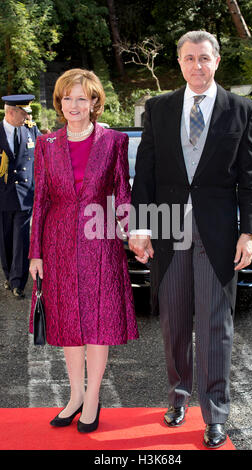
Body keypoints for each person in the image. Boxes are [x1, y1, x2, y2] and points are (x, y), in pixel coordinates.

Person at [129, 31, 252, 448]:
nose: (197, 66)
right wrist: (141, 226)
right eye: (189, 59)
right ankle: (178, 396)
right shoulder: (159, 108)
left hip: (218, 234)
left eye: (204, 58)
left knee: (213, 326)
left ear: (217, 61)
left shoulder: (241, 111)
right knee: (172, 322)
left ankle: (215, 412)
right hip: (168, 231)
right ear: (180, 62)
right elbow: (145, 173)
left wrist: (249, 232)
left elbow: (251, 177)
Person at [29, 68, 139, 433]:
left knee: (96, 321)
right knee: (67, 322)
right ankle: (75, 395)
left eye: (80, 98)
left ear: (94, 102)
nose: (72, 105)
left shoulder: (115, 142)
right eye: (66, 98)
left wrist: (135, 233)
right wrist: (35, 253)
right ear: (59, 104)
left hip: (100, 240)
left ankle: (92, 397)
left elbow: (122, 192)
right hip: (57, 242)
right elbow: (41, 202)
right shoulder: (46, 145)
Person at [0, 94, 40, 298]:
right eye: (23, 113)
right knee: (5, 240)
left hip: (25, 195)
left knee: (22, 240)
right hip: (3, 196)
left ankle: (18, 281)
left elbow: (42, 156)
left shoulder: (31, 130)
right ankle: (9, 275)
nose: (26, 117)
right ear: (10, 112)